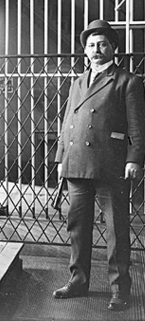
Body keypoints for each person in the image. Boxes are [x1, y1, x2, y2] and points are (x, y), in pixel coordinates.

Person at [53, 19, 145, 311]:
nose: (96, 50)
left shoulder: (127, 81)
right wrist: (60, 158)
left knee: (116, 229)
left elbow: (137, 127)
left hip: (111, 165)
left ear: (113, 48)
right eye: (91, 45)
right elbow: (67, 123)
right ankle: (78, 282)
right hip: (77, 165)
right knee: (77, 227)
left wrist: (134, 159)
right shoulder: (78, 81)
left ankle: (120, 289)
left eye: (102, 44)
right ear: (85, 51)